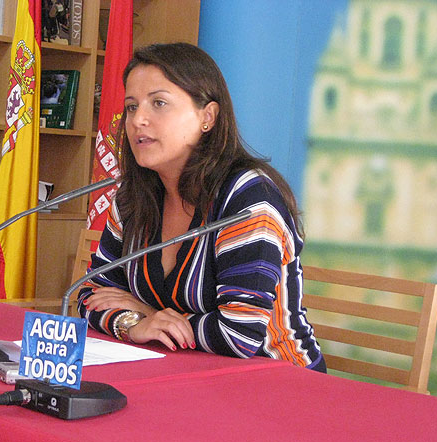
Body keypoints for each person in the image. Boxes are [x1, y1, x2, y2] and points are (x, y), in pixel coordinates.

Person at [77, 43, 325, 372]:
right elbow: (92, 291)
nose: (139, 120)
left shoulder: (247, 198)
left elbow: (239, 335)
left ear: (207, 116)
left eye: (159, 103)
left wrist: (148, 314)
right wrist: (131, 325)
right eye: (132, 107)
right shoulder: (134, 196)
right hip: (178, 373)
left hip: (276, 384)